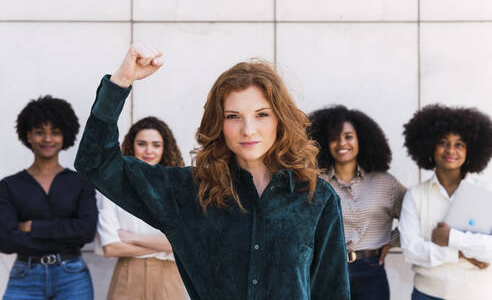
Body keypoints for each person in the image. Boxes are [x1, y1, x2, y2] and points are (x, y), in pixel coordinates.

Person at [74, 42, 350, 300]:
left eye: (261, 114)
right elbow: (95, 162)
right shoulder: (188, 192)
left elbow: (332, 290)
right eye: (233, 116)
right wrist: (121, 82)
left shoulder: (316, 197)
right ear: (218, 123)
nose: (248, 130)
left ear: (281, 119)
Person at [0, 96, 97, 300]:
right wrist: (64, 232)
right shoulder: (9, 186)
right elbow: (6, 240)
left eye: (55, 132)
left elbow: (86, 231)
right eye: (39, 132)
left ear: (65, 137)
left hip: (72, 277)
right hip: (25, 275)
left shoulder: (80, 183)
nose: (47, 139)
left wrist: (32, 227)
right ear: (28, 136)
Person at [308, 105, 406, 300]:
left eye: (348, 136)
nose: (341, 143)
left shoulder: (385, 183)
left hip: (371, 272)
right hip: (328, 271)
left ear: (361, 139)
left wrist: (392, 240)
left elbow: (417, 217)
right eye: (334, 138)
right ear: (324, 144)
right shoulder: (315, 184)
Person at [399, 104, 492, 300]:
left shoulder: (485, 193)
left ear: (470, 150)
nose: (451, 150)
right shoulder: (415, 195)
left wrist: (451, 238)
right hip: (427, 294)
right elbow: (411, 251)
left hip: (476, 294)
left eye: (459, 144)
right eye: (443, 142)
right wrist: (462, 254)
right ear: (430, 147)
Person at [97, 116, 187, 299]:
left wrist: (132, 238)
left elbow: (186, 242)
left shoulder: (181, 189)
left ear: (164, 149)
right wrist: (165, 246)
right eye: (141, 144)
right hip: (128, 275)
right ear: (131, 146)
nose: (148, 151)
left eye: (156, 145)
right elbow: (111, 248)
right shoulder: (113, 187)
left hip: (168, 277)